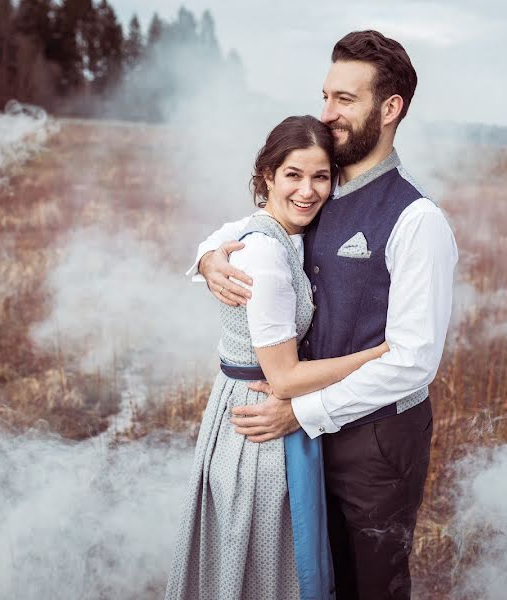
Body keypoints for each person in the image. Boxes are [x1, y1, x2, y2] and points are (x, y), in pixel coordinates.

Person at [190, 31, 458, 599]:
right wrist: (209, 256)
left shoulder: (417, 221)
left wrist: (304, 411)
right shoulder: (320, 188)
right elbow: (255, 225)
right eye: (326, 96)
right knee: (311, 578)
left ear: (390, 110)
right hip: (306, 431)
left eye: (345, 100)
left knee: (370, 585)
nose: (327, 114)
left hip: (376, 442)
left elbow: (413, 362)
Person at [166, 115, 392, 600]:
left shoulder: (287, 231)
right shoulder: (266, 256)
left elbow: (231, 232)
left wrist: (208, 256)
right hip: (259, 428)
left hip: (255, 413)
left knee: (261, 567)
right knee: (266, 568)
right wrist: (376, 355)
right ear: (267, 175)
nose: (308, 190)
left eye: (321, 176)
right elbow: (285, 378)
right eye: (293, 174)